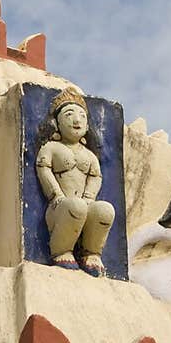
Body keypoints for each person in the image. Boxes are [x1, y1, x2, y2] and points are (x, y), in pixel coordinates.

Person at [35, 88, 114, 276]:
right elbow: (43, 168)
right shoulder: (52, 147)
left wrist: (89, 196)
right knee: (76, 207)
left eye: (81, 116)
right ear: (56, 123)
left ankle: (91, 253)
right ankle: (61, 250)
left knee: (105, 210)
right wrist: (56, 195)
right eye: (69, 115)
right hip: (59, 207)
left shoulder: (89, 155)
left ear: (87, 126)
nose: (76, 120)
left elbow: (96, 177)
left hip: (84, 203)